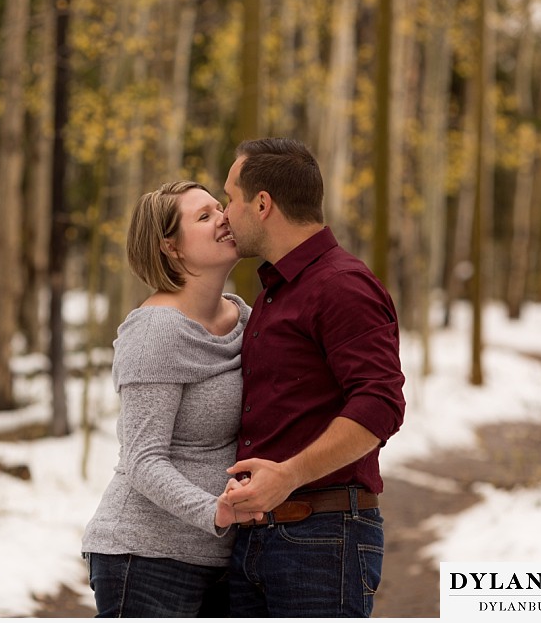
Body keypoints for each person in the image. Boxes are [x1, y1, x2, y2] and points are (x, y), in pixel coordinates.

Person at [219, 138, 406, 617]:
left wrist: (288, 475)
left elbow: (380, 404)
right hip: (255, 539)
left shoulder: (342, 286)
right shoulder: (273, 293)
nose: (224, 214)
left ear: (262, 205)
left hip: (323, 542)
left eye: (229, 199)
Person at [81, 180, 262, 617]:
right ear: (171, 247)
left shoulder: (246, 319)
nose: (222, 217)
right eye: (203, 217)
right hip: (144, 556)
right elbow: (143, 458)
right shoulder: (155, 331)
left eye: (219, 207)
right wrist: (215, 512)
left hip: (221, 559)